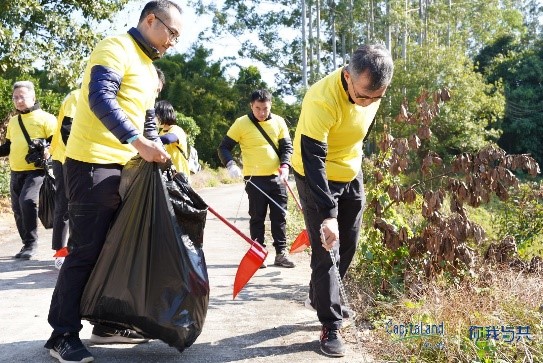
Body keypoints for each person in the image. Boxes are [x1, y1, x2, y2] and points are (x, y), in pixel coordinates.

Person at [44, 1, 182, 362]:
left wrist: (153, 150)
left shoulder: (150, 70)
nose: (172, 43)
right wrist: (138, 142)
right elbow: (100, 97)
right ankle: (61, 332)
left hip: (126, 167)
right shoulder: (115, 47)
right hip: (92, 163)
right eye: (172, 33)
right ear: (151, 20)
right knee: (87, 248)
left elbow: (147, 118)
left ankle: (104, 321)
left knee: (116, 245)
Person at [291, 44, 394, 357]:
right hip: (315, 175)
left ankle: (319, 295)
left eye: (376, 96)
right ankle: (330, 324)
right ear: (347, 76)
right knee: (327, 250)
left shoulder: (372, 92)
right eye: (363, 95)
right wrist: (327, 214)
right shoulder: (321, 99)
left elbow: (359, 132)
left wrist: (357, 164)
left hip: (351, 170)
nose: (367, 102)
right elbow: (313, 158)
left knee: (348, 242)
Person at [218, 89, 295, 269]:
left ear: (271, 106)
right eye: (258, 108)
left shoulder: (279, 122)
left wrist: (285, 166)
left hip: (277, 177)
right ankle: (258, 253)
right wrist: (231, 164)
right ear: (251, 106)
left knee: (279, 216)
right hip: (254, 179)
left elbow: (287, 147)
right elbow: (224, 147)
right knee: (257, 216)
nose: (262, 113)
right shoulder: (241, 123)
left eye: (265, 109)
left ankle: (281, 254)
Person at [0, 80, 57, 260]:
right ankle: (27, 244)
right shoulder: (14, 121)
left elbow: (57, 143)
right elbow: (8, 147)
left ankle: (32, 244)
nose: (18, 101)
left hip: (37, 171)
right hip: (16, 171)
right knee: (17, 209)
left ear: (33, 96)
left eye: (22, 97)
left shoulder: (46, 118)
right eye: (15, 97)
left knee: (27, 202)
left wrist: (47, 150)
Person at [49, 89, 81, 268]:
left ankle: (73, 249)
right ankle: (61, 251)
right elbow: (67, 127)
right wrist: (77, 156)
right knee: (65, 203)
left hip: (75, 156)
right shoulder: (77, 96)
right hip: (65, 157)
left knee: (76, 203)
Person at [155, 100, 191, 179]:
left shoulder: (176, 129)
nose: (155, 118)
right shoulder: (161, 133)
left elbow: (168, 139)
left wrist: (148, 141)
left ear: (163, 114)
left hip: (180, 177)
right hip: (167, 176)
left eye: (156, 115)